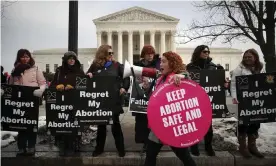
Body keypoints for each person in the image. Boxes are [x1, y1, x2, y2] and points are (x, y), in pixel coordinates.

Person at [143, 51, 196, 166]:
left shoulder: (177, 78)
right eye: (160, 61)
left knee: (184, 156)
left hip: (172, 124)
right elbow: (155, 99)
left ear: (172, 63)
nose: (160, 64)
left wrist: (183, 75)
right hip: (158, 124)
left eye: (164, 61)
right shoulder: (160, 79)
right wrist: (147, 89)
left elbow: (191, 82)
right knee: (150, 154)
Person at [86, 45, 130, 157]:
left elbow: (126, 76)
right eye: (109, 53)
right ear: (103, 54)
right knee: (101, 125)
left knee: (115, 125)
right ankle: (99, 149)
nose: (111, 55)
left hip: (113, 99)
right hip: (100, 99)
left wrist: (124, 88)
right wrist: (89, 76)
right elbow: (87, 77)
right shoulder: (95, 66)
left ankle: (121, 149)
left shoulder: (117, 65)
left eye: (112, 53)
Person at [186, 45, 224, 156]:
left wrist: (220, 74)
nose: (207, 53)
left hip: (208, 99)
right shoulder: (190, 67)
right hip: (194, 99)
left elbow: (218, 84)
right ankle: (194, 146)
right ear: (198, 52)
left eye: (208, 51)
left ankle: (208, 146)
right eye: (204, 51)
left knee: (208, 125)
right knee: (194, 123)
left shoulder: (213, 67)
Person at [8, 49, 46, 156]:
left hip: (32, 100)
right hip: (19, 101)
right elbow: (10, 85)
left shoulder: (35, 69)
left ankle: (31, 146)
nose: (25, 59)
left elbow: (42, 83)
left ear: (30, 58)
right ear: (19, 58)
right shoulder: (15, 70)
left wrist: (41, 90)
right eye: (23, 57)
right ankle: (21, 147)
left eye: (27, 56)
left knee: (31, 124)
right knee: (21, 124)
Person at [231, 49, 265, 158]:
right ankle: (242, 147)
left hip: (257, 99)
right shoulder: (239, 69)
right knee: (244, 122)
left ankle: (252, 146)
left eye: (249, 57)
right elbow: (233, 84)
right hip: (244, 100)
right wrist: (234, 97)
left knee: (256, 122)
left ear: (255, 57)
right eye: (245, 57)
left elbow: (265, 82)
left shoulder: (261, 68)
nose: (247, 59)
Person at [50, 51, 85, 156]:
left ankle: (75, 143)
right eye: (69, 58)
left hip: (75, 102)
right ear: (65, 60)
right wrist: (57, 86)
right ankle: (63, 145)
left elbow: (84, 87)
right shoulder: (60, 71)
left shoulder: (79, 71)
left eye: (73, 58)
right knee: (63, 122)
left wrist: (73, 87)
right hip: (62, 103)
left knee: (75, 123)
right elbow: (53, 84)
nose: (71, 60)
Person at [132, 45, 160, 152]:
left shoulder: (157, 64)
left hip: (153, 96)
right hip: (141, 96)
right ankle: (144, 142)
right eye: (148, 54)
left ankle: (151, 144)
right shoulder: (137, 65)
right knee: (141, 122)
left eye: (152, 53)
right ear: (143, 55)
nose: (150, 55)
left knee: (152, 121)